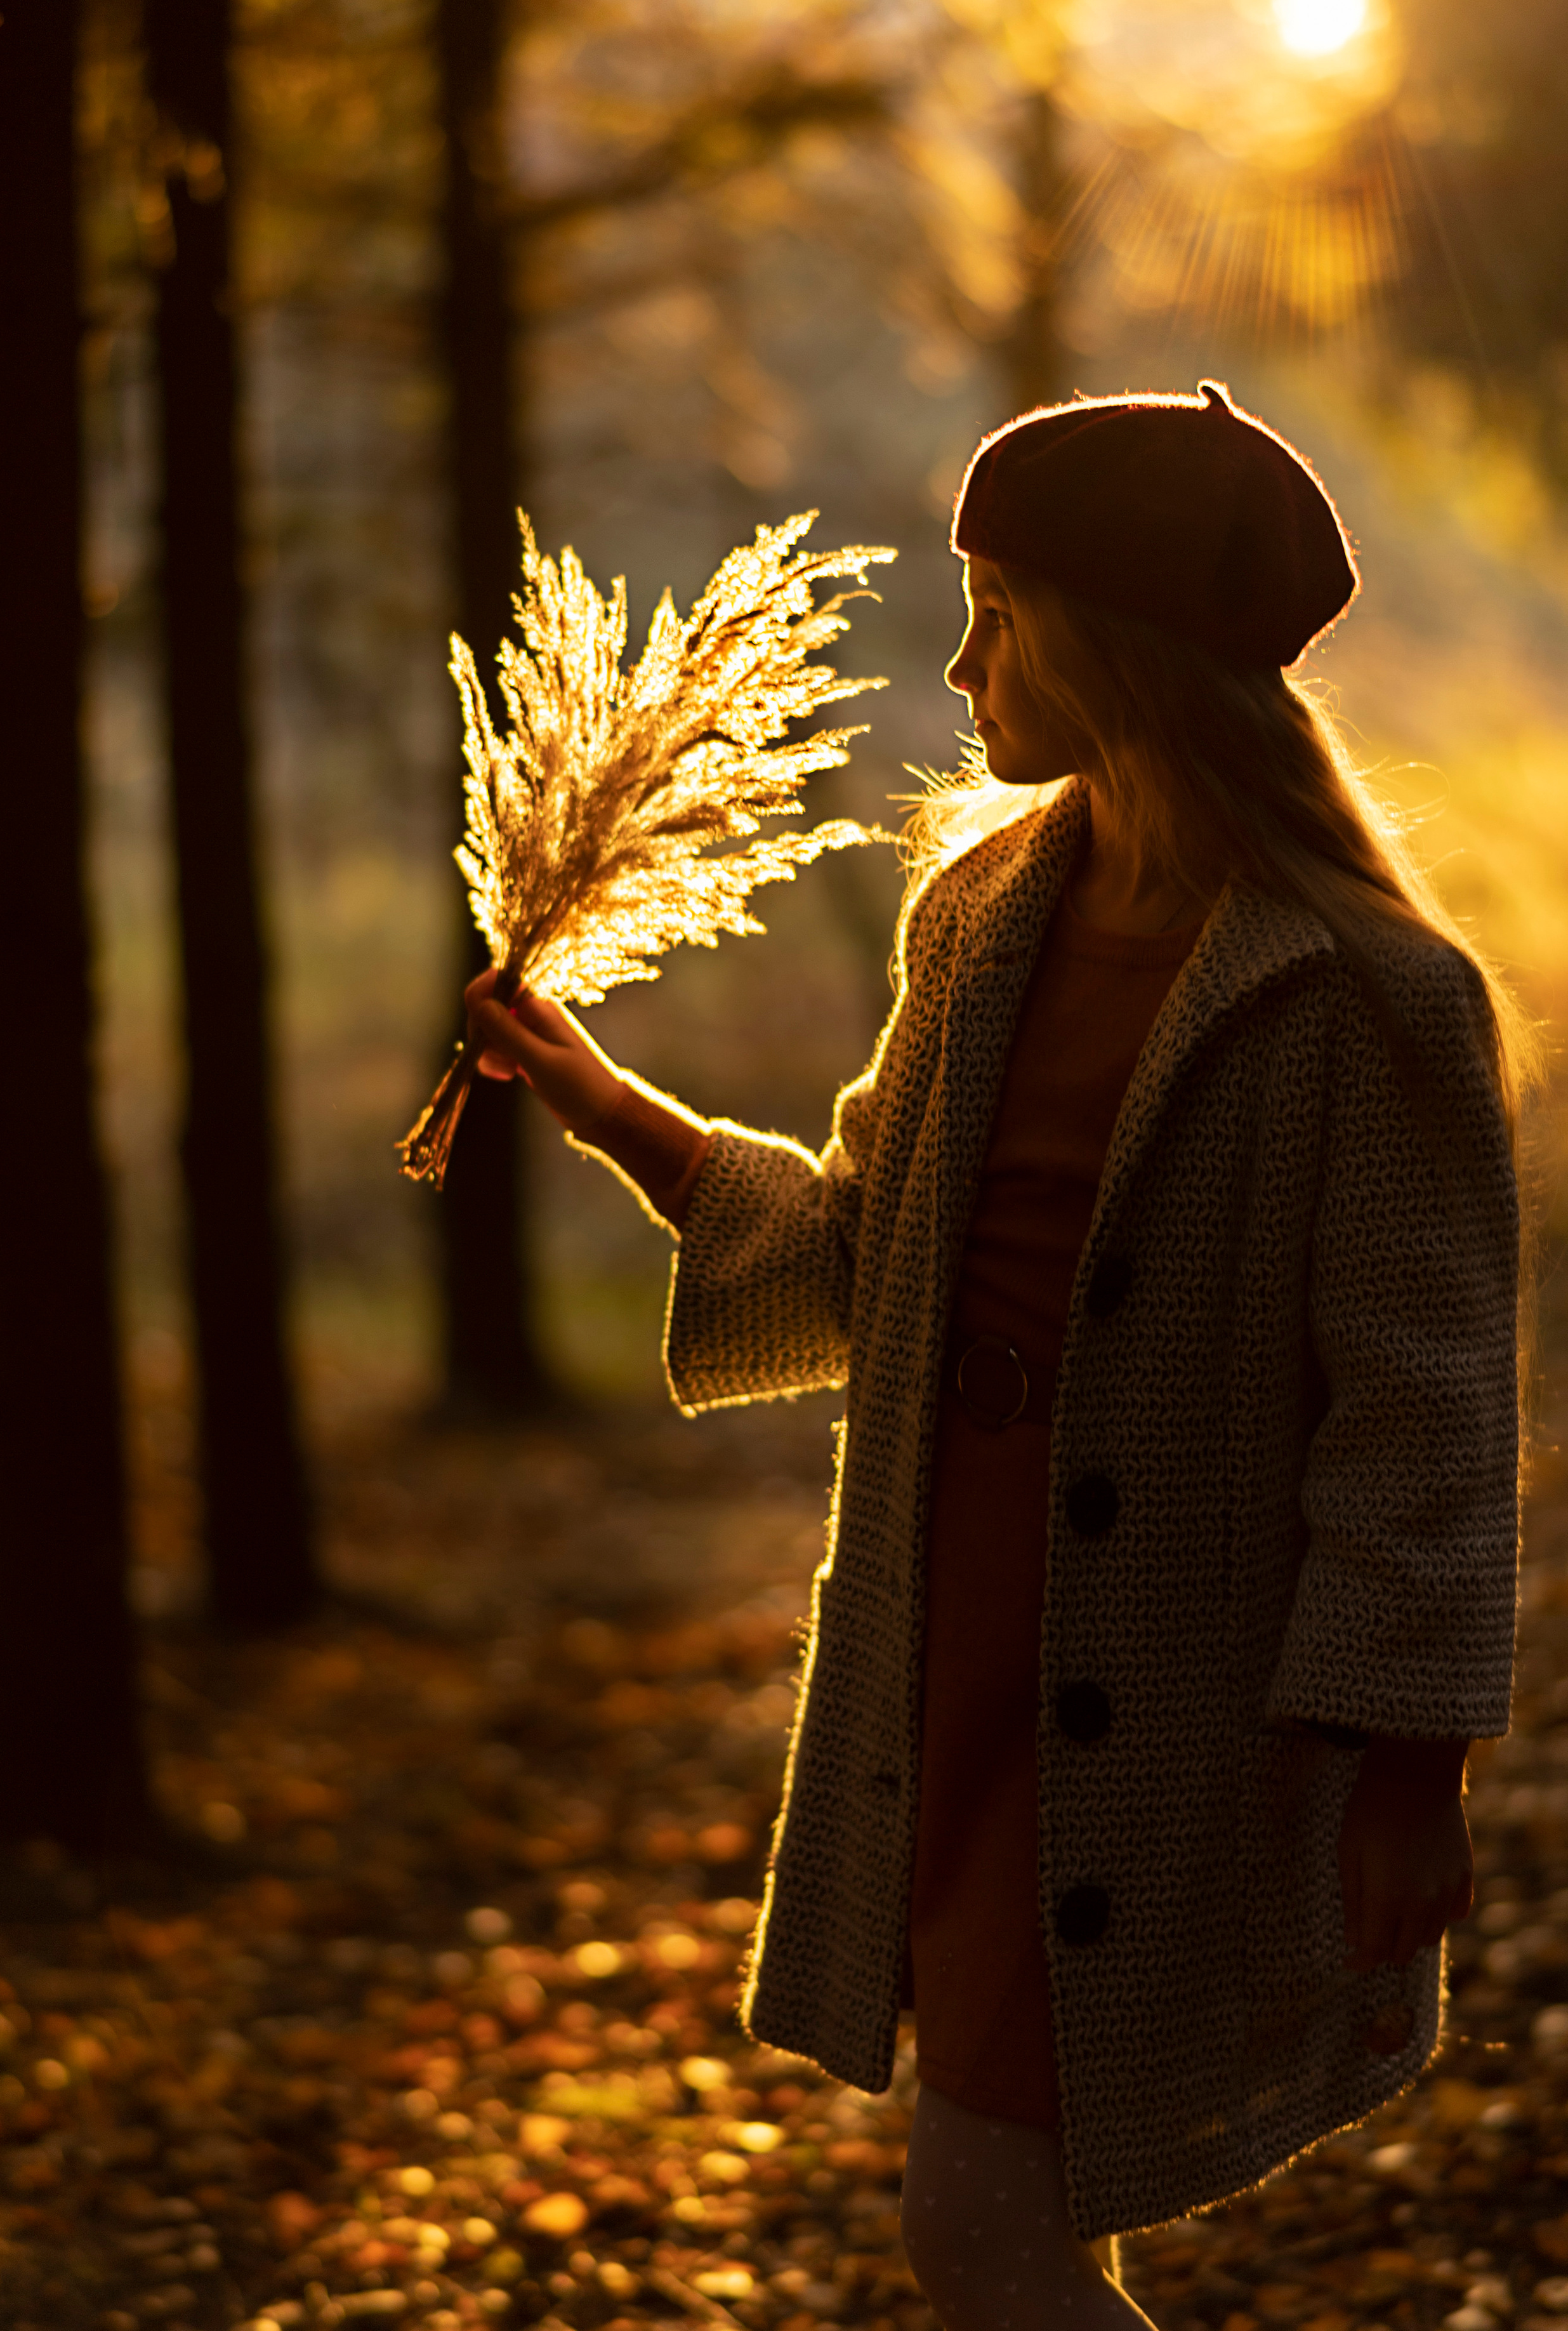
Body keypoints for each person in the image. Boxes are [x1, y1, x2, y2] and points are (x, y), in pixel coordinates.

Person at [464, 384, 1527, 2331]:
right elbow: (882, 1252)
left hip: (1184, 1693)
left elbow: (1425, 1420)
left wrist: (1409, 1772)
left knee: (980, 2223)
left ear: (1118, 645)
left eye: (1001, 615)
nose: (959, 667)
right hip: (952, 1652)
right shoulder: (979, 918)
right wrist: (622, 1114)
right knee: (1029, 2187)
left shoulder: (1367, 996)